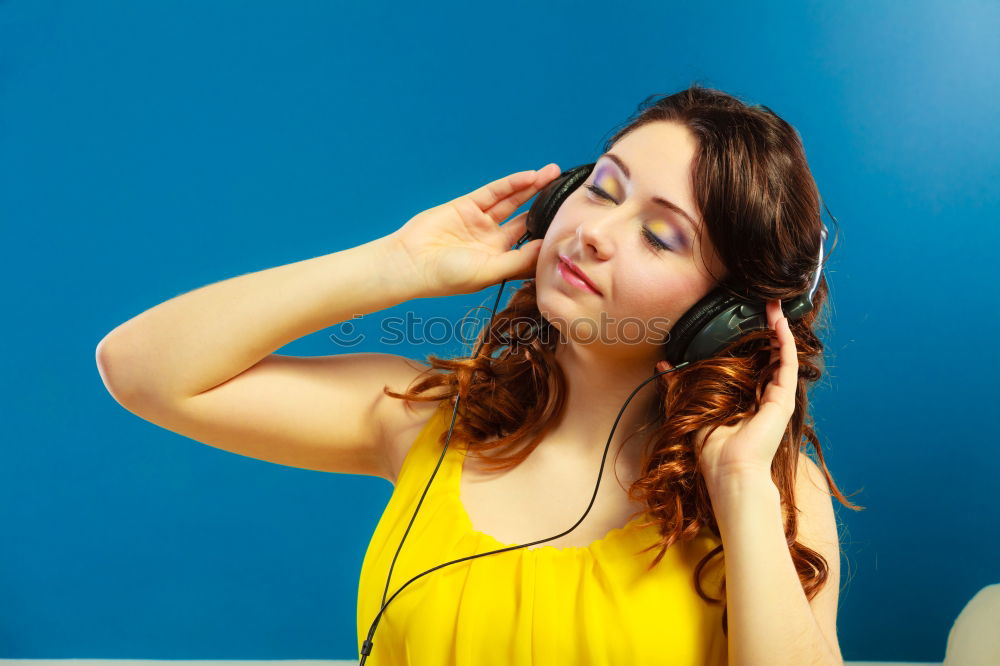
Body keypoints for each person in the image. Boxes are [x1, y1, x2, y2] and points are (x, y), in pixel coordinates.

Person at [96, 84, 861, 665]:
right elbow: (141, 369)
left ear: (725, 312)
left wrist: (739, 493)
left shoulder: (767, 493)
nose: (594, 233)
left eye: (660, 236)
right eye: (602, 188)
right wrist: (394, 265)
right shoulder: (420, 421)